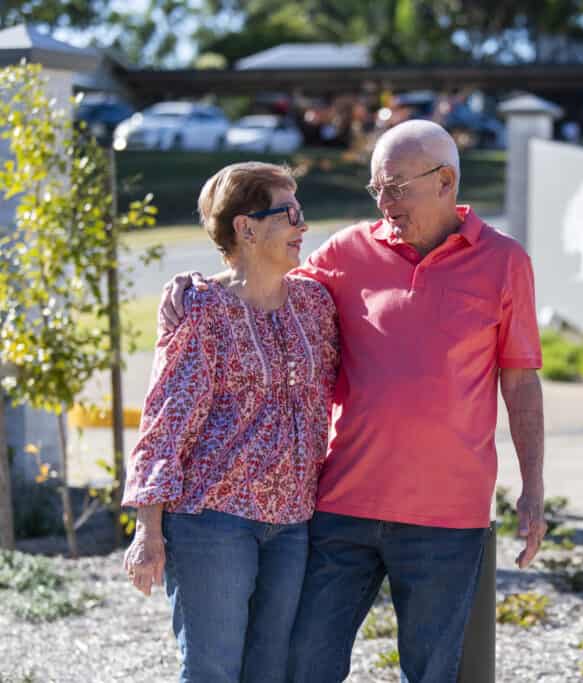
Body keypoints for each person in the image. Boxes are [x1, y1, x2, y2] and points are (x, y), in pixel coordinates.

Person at [161, 120, 546, 683]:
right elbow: (268, 285)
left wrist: (532, 488)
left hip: (447, 517)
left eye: (395, 187)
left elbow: (521, 382)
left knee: (434, 672)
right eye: (376, 189)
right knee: (303, 666)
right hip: (342, 507)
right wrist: (199, 287)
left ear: (445, 182)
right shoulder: (348, 251)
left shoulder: (505, 262)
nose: (383, 202)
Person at [122, 162, 340, 683]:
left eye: (301, 212)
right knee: (213, 672)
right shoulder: (202, 310)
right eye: (288, 214)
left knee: (270, 671)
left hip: (291, 521)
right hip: (212, 521)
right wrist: (147, 528)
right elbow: (165, 421)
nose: (302, 226)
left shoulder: (315, 304)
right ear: (245, 228)